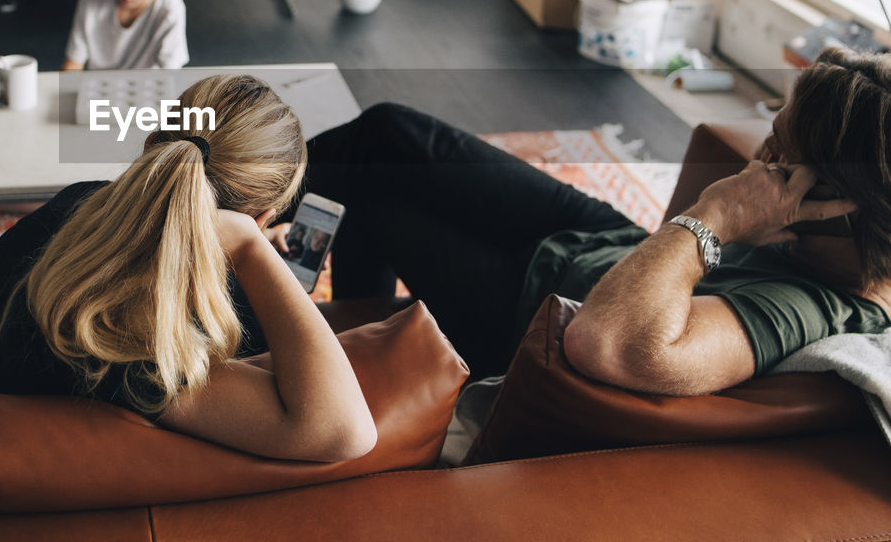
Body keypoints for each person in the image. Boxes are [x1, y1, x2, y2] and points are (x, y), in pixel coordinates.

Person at [299, 45, 890, 394]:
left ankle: (322, 343)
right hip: (611, 244)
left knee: (371, 202)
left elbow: (605, 342)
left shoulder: (815, 308)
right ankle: (263, 242)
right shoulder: (825, 244)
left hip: (533, 309)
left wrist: (722, 212)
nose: (758, 164)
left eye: (777, 152)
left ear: (840, 200)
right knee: (386, 131)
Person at [0, 74, 376, 462]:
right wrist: (254, 253)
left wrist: (241, 239)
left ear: (153, 144)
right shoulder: (146, 332)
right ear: (262, 220)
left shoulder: (77, 201)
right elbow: (344, 430)